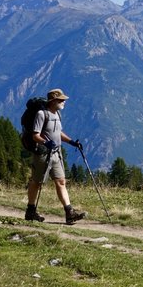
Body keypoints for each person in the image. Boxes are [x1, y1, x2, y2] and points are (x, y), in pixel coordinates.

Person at [24, 88, 87, 224]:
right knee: (37, 182)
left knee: (61, 181)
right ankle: (30, 210)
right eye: (61, 100)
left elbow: (58, 132)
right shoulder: (42, 114)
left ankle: (69, 213)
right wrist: (46, 142)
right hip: (42, 154)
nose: (64, 102)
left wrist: (71, 142)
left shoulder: (57, 114)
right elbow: (35, 135)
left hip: (56, 153)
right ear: (53, 101)